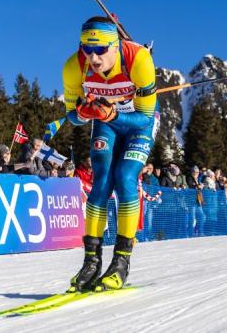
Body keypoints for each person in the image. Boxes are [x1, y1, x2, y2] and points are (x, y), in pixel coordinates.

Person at [63, 16, 159, 292]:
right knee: (102, 180)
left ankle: (121, 261)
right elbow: (72, 115)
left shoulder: (138, 60)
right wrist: (83, 112)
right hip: (105, 122)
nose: (93, 57)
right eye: (87, 49)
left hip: (137, 123)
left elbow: (144, 118)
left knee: (125, 176)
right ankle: (91, 262)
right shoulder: (74, 67)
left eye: (101, 50)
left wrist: (113, 113)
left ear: (115, 46)